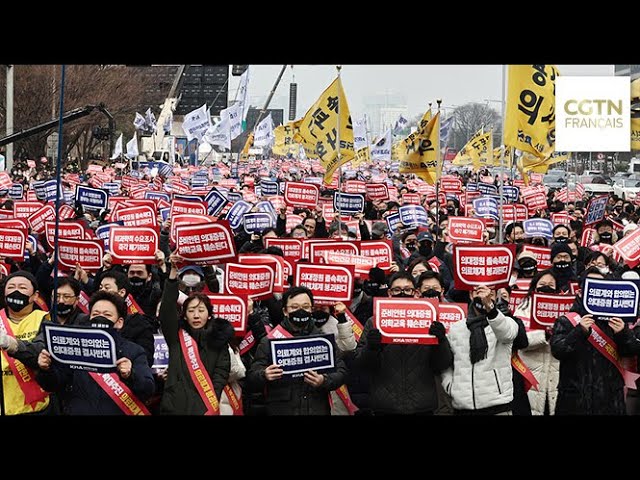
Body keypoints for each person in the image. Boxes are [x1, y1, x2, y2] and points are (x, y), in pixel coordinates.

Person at [36, 291, 155, 415]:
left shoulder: (134, 351)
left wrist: (131, 376)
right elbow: (53, 384)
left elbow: (148, 389)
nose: (100, 318)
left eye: (107, 315)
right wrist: (46, 369)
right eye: (96, 314)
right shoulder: (75, 347)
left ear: (119, 322)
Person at [354, 272, 453, 415]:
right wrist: (372, 348)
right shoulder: (374, 322)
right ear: (389, 293)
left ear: (416, 293)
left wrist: (441, 341)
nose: (402, 293)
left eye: (407, 290)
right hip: (385, 407)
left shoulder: (429, 321)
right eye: (397, 290)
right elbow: (361, 365)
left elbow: (442, 364)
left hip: (422, 407)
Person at [245, 286, 348, 415]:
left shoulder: (322, 340)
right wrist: (264, 375)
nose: (300, 311)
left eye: (305, 307)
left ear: (311, 309)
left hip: (316, 407)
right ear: (285, 311)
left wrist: (324, 380)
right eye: (294, 307)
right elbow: (252, 377)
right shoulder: (271, 340)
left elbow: (341, 372)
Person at [550, 267, 640, 415]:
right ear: (580, 291)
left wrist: (622, 333)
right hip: (575, 398)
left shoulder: (616, 321)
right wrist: (580, 332)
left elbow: (632, 351)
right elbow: (558, 350)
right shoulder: (567, 320)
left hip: (609, 398)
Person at [158, 254, 233, 415]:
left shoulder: (219, 340)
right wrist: (172, 273)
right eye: (191, 311)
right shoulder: (176, 336)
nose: (196, 315)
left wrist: (212, 401)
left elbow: (221, 374)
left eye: (201, 310)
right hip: (174, 406)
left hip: (205, 407)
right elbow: (166, 309)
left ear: (210, 315)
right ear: (184, 315)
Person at [441, 284, 520, 415]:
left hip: (497, 406)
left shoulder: (506, 323)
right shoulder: (456, 328)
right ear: (471, 295)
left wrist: (491, 309)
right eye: (478, 292)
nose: (483, 297)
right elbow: (448, 363)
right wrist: (451, 386)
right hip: (463, 407)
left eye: (489, 293)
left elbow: (507, 334)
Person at [0, 271, 51, 415]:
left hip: (33, 406)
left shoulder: (45, 320)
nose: (16, 291)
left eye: (22, 287)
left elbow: (40, 351)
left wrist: (11, 344)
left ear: (35, 295)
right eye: (11, 287)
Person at [513, 269, 562, 415]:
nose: (546, 287)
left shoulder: (565, 309)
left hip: (555, 375)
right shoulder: (523, 309)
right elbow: (521, 342)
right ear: (534, 286)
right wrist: (545, 334)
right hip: (530, 373)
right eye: (542, 284)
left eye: (551, 284)